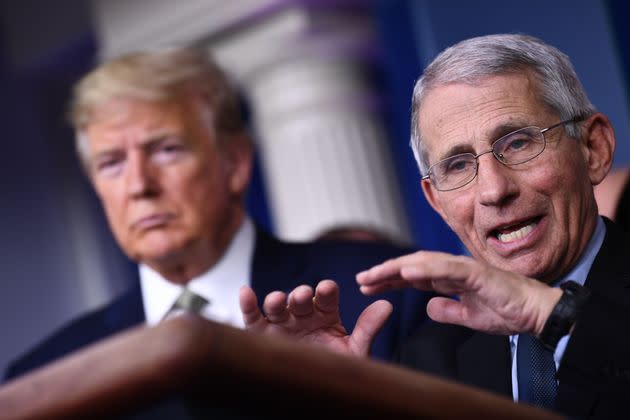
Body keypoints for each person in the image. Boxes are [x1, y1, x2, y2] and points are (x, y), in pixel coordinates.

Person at [239, 34, 630, 418]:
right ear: (436, 202)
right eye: (458, 165)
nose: (494, 190)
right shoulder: (429, 360)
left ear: (593, 149)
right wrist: (336, 399)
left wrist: (553, 315)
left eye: (518, 143)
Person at [4, 48, 428, 380]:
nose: (139, 186)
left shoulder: (386, 292)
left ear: (235, 163)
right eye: (112, 163)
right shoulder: (47, 373)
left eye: (166, 150)